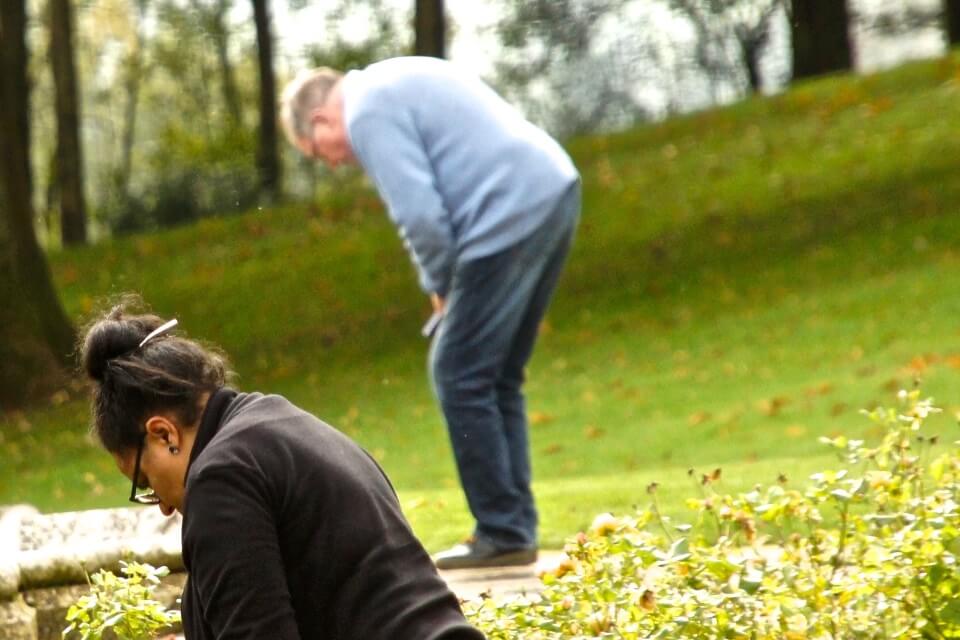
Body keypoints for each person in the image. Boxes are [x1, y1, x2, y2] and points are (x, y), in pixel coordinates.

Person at [279, 57, 581, 569]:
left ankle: (504, 532)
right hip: (551, 190)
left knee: (457, 372)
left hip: (505, 214)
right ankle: (513, 527)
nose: (333, 163)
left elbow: (419, 214)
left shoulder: (366, 111)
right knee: (494, 376)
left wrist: (440, 286)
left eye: (319, 154)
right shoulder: (391, 78)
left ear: (321, 122)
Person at [79, 301, 484, 640]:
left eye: (145, 481)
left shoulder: (221, 479)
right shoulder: (285, 424)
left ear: (163, 433)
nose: (163, 507)